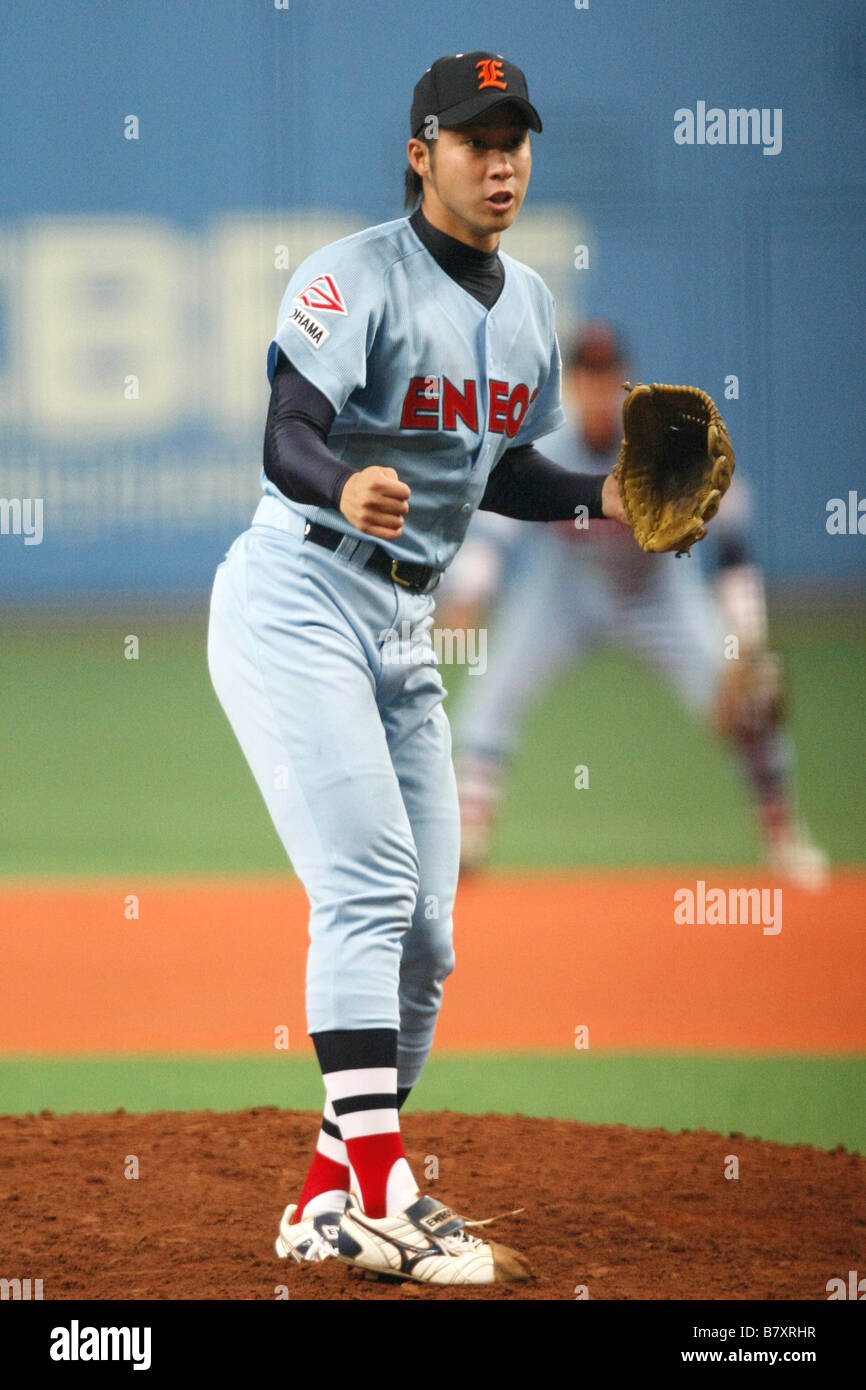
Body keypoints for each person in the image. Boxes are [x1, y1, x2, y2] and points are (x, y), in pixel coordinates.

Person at [206, 52, 629, 1286]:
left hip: (403, 633)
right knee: (369, 882)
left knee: (429, 939)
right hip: (299, 593)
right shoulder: (352, 275)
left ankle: (328, 1198)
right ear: (419, 151)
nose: (499, 162)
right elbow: (287, 429)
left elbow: (494, 466)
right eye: (473, 139)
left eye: (516, 141)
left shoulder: (532, 307)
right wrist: (342, 476)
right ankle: (388, 1193)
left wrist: (606, 498)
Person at [442, 322, 829, 890]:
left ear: (622, 378)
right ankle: (468, 835)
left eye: (606, 375)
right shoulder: (546, 439)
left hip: (659, 592)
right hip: (563, 589)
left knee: (747, 702)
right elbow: (496, 528)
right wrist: (471, 590)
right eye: (585, 376)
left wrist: (744, 640)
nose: (597, 389)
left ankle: (783, 835)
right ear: (570, 384)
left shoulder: (666, 443)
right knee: (491, 691)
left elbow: (733, 546)